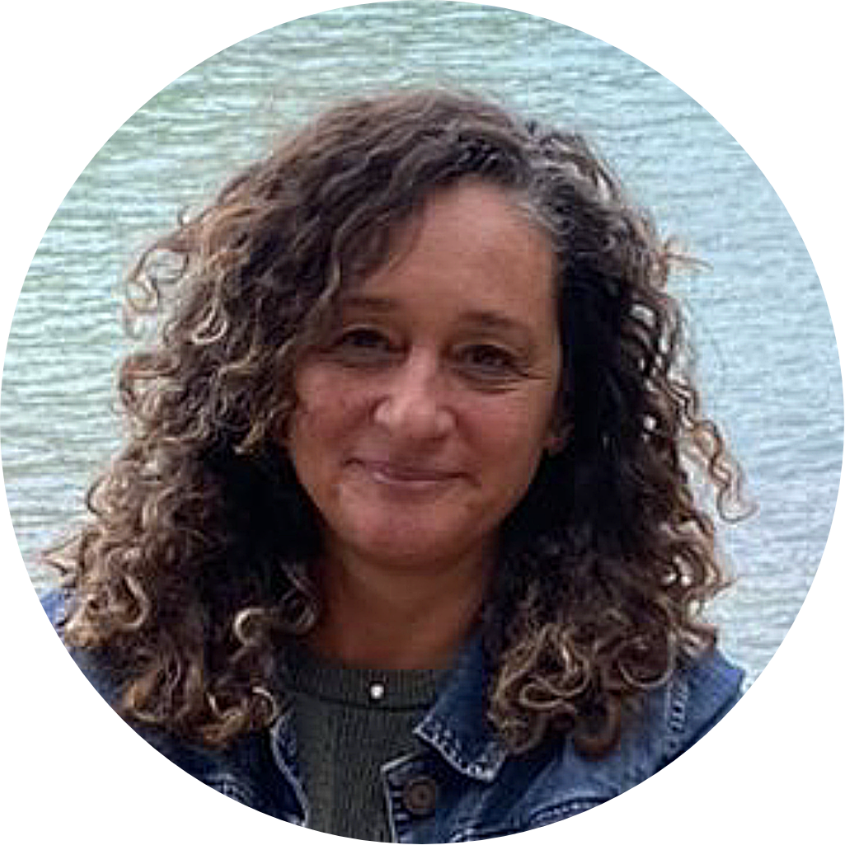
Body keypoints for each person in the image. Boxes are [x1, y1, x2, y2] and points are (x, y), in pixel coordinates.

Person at [40, 89, 748, 840]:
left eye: (486, 357)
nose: (411, 415)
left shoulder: (671, 736)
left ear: (565, 409)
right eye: (363, 340)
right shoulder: (98, 665)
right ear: (267, 366)